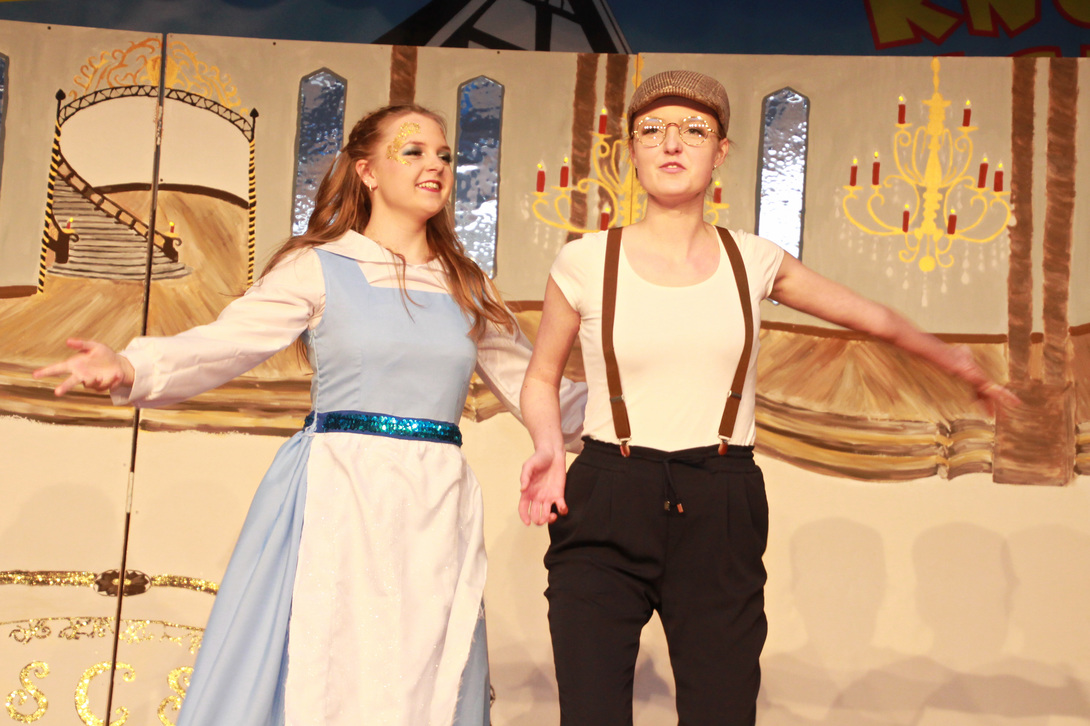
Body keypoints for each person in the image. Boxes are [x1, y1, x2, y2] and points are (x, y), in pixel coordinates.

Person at [34, 103, 585, 726]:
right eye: (412, 151)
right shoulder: (318, 265)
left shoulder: (465, 286)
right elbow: (225, 343)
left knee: (421, 668)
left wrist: (635, 415)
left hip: (434, 502)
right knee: (325, 663)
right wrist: (130, 367)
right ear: (366, 171)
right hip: (339, 489)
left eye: (444, 155)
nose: (434, 165)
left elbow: (538, 388)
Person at [517, 70, 1019, 726]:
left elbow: (871, 317)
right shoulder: (586, 260)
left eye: (694, 130)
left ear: (721, 151)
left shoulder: (752, 259)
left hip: (720, 499)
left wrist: (957, 363)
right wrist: (549, 446)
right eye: (653, 130)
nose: (672, 143)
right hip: (607, 494)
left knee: (721, 710)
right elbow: (540, 376)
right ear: (631, 150)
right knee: (590, 712)